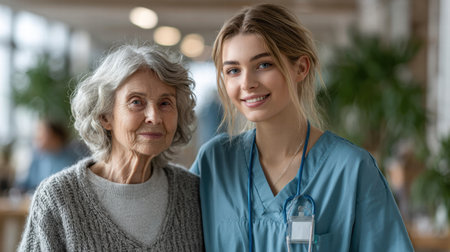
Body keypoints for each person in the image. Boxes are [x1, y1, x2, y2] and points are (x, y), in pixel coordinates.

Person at [191, 3, 413, 252]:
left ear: (301, 67)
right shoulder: (214, 163)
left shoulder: (350, 170)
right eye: (233, 70)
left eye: (264, 65)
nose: (247, 83)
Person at [19, 44, 204, 251]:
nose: (154, 117)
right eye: (136, 102)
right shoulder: (57, 198)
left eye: (165, 103)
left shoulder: (193, 192)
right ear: (105, 116)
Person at [15, 118, 82, 193]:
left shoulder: (72, 160)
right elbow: (25, 183)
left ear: (56, 137)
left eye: (42, 133)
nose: (37, 137)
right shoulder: (37, 158)